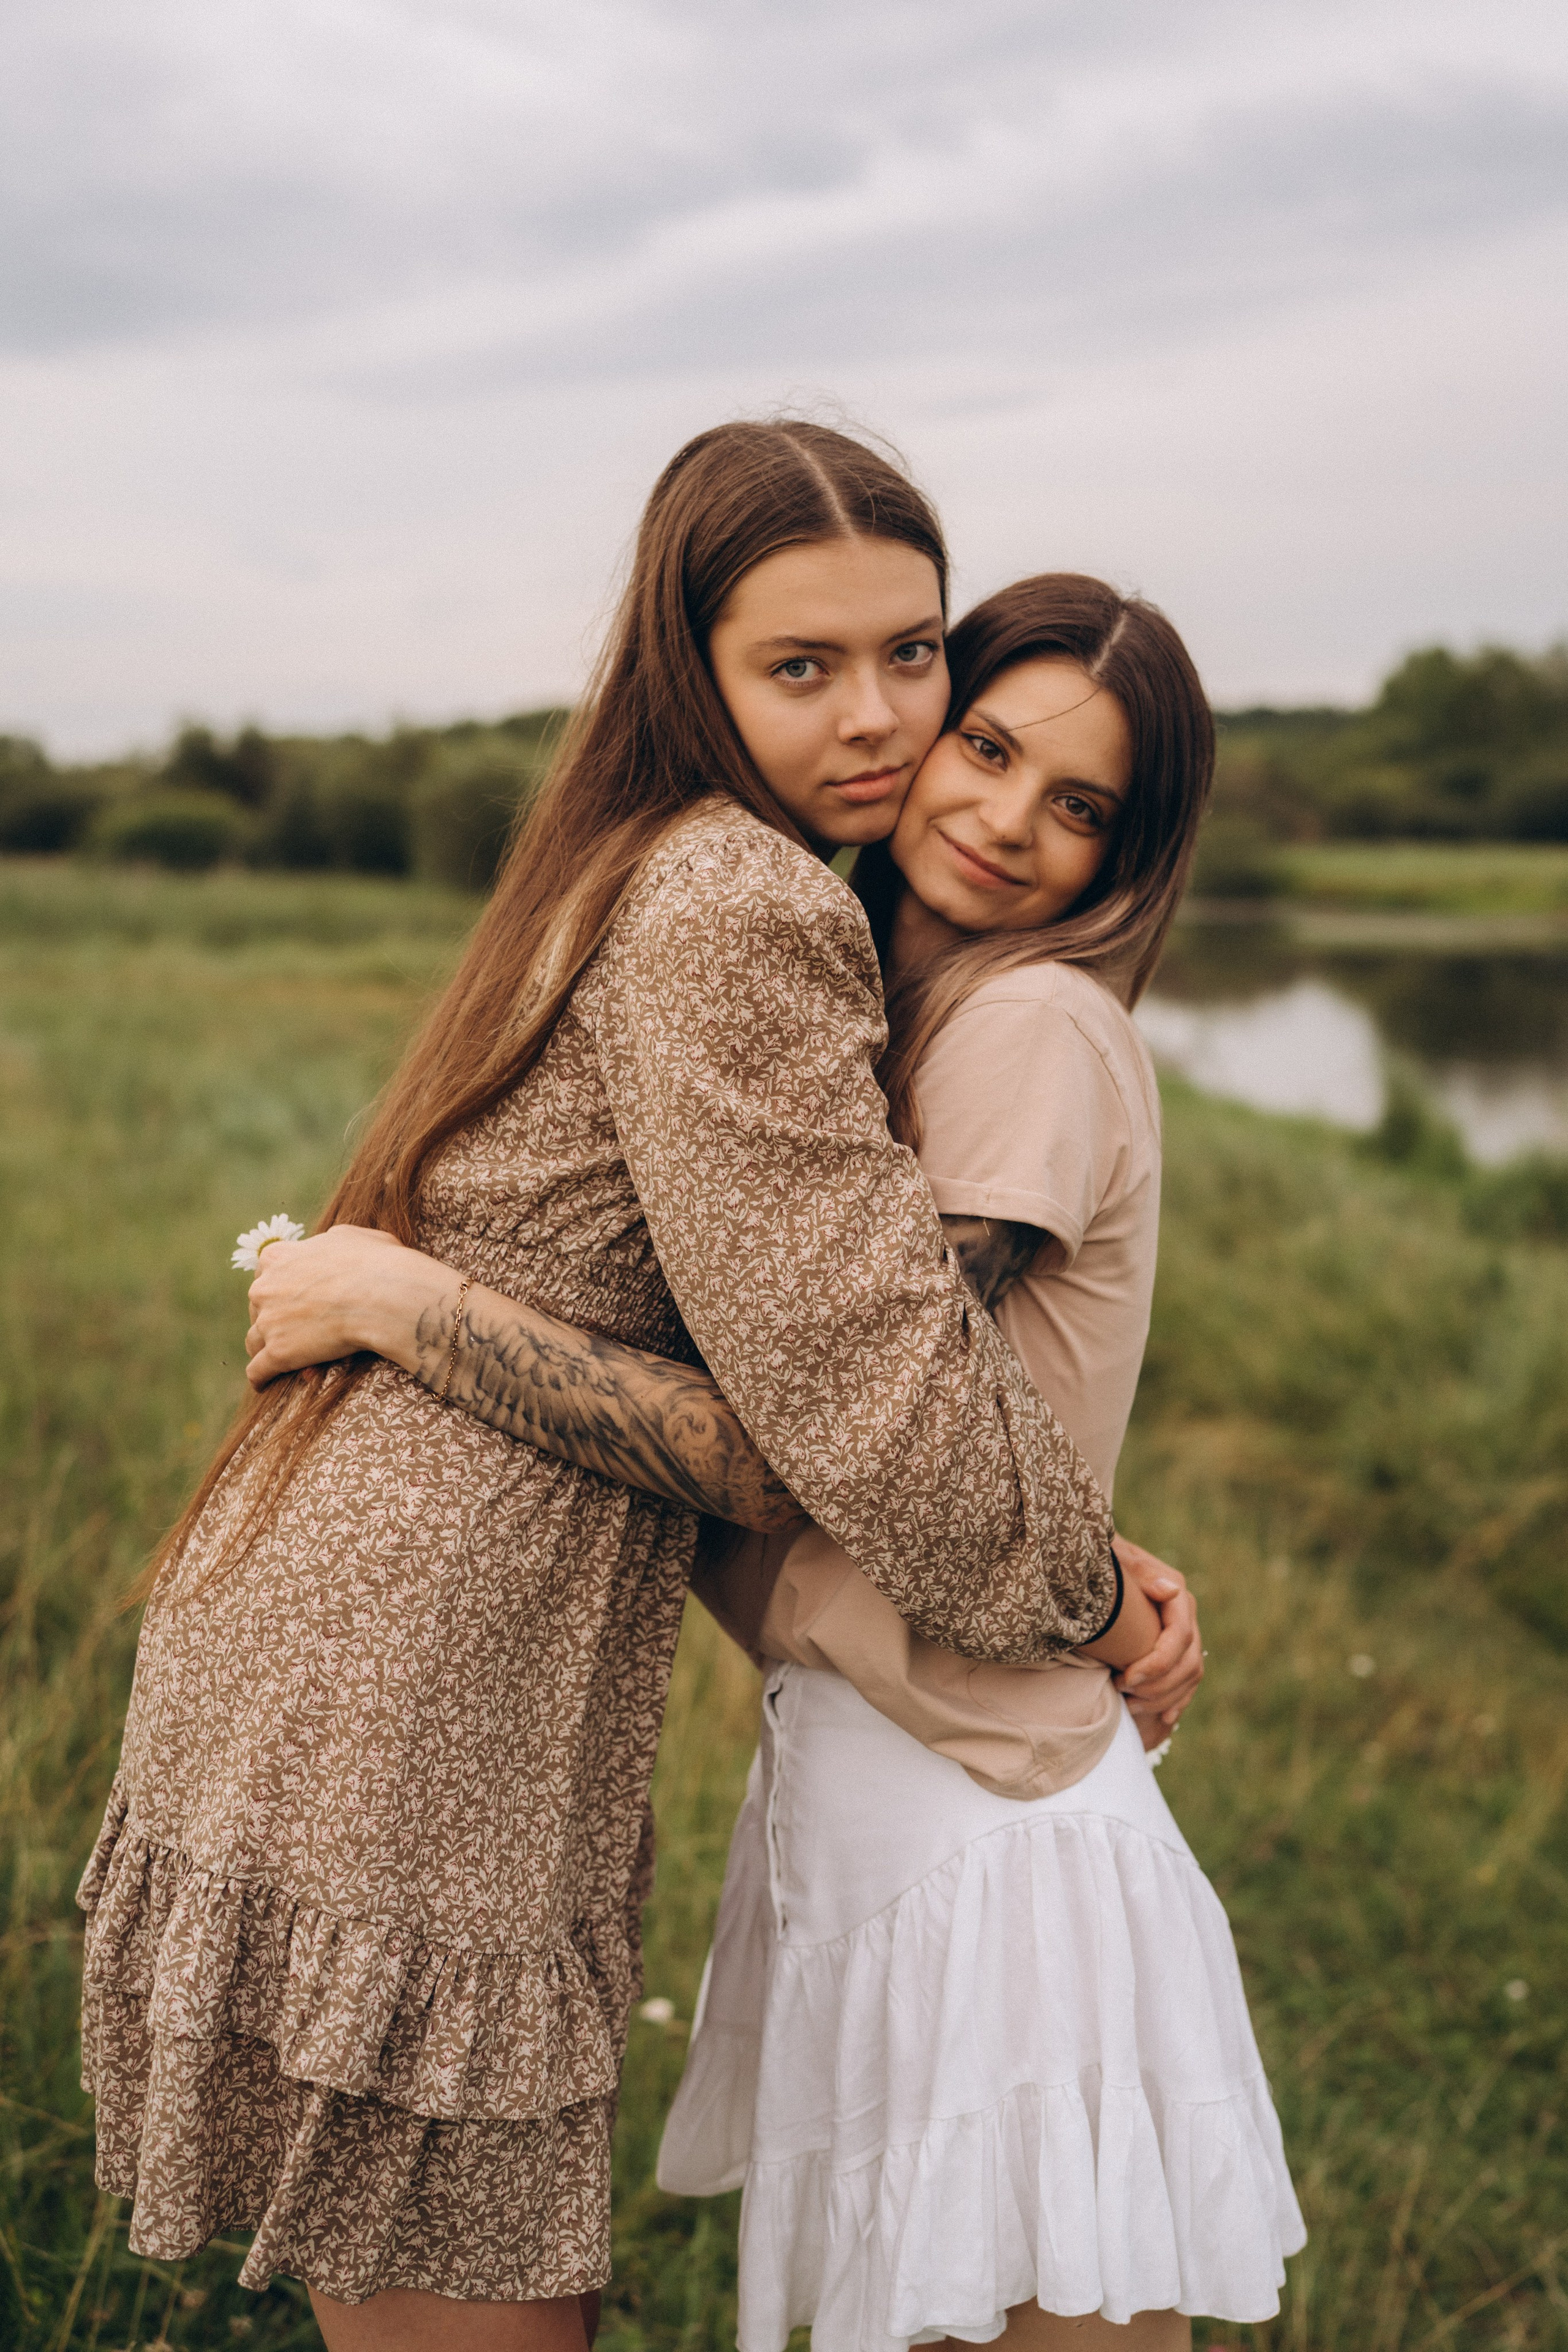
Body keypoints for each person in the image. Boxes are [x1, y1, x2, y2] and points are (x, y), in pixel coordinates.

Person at [78, 424, 1136, 2352]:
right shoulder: (746, 902)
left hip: (359, 1640)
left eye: (912, 652)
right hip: (419, 1696)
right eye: (801, 666)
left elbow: (815, 1397)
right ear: (693, 664)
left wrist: (402, 1301)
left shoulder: (633, 850)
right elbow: (864, 1432)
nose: (879, 715)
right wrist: (1091, 1596)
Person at [649, 577, 1307, 2351]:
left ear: (1125, 858)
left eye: (1078, 804)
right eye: (991, 749)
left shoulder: (1028, 1026)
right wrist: (1102, 1557)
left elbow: (848, 1431)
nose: (1008, 820)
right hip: (901, 1783)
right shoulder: (899, 1014)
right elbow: (961, 1417)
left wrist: (409, 1310)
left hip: (988, 1831)